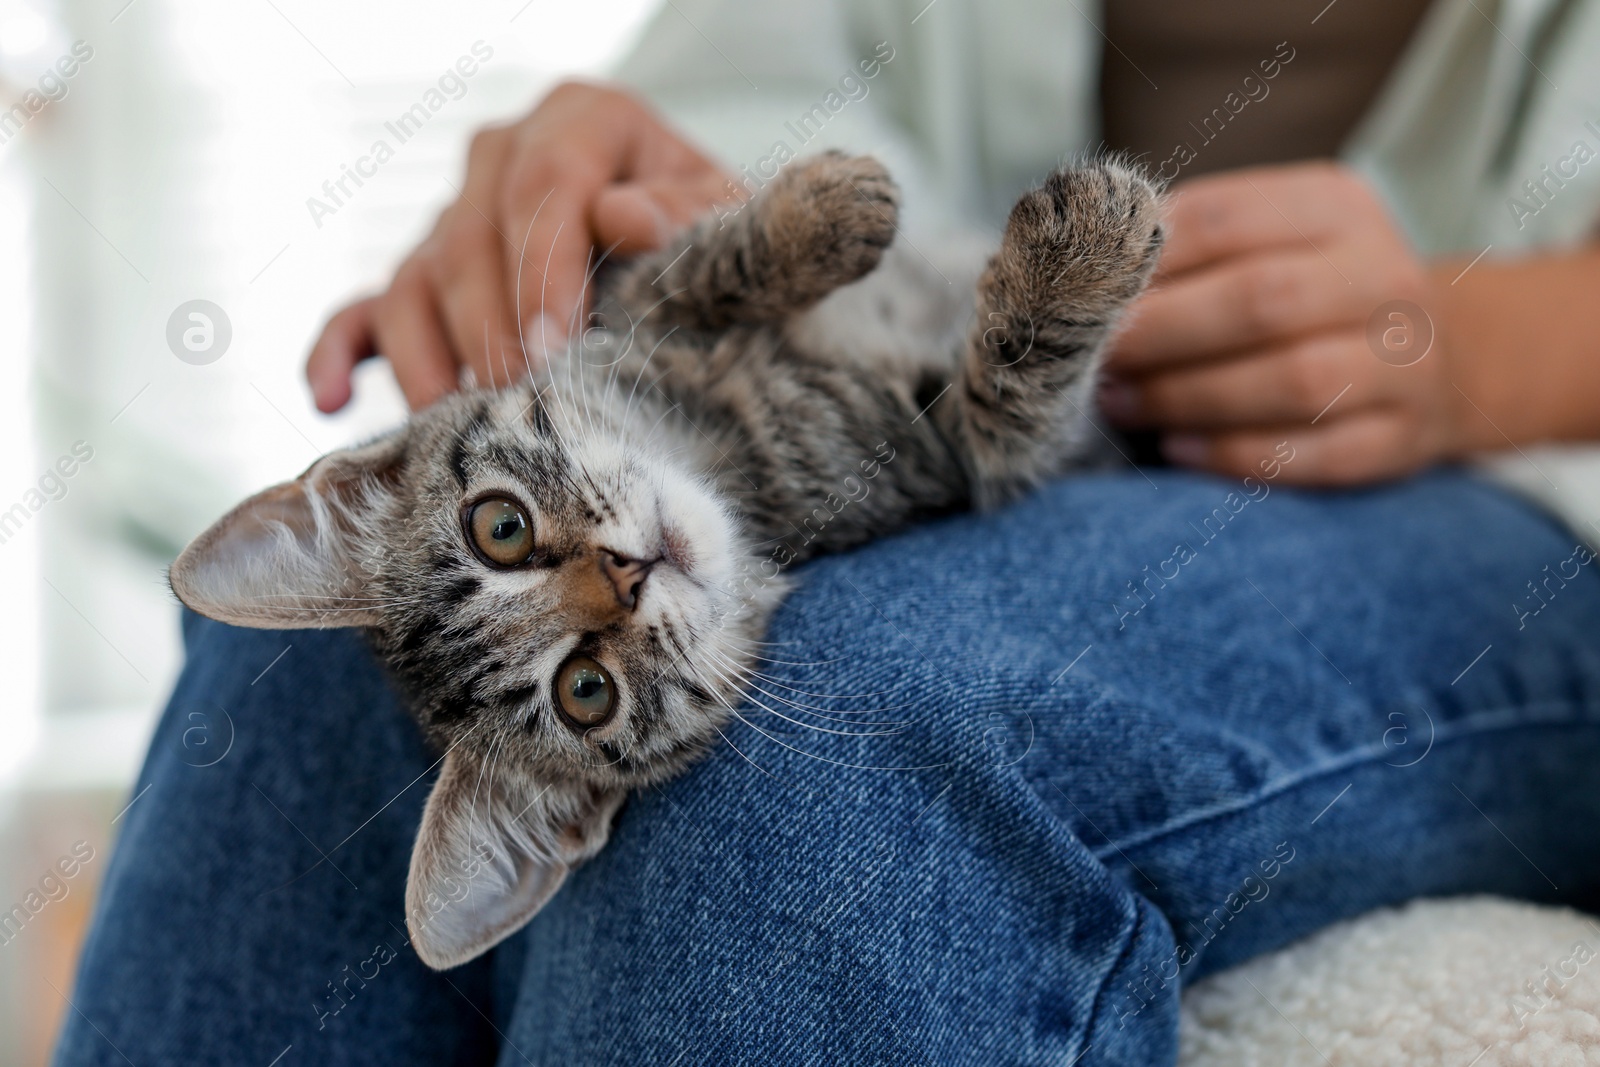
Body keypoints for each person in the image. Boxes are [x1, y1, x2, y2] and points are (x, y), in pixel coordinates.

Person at [54, 1, 1600, 1064]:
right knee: (313, 675)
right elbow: (761, 115)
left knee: (833, 742)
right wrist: (635, 177)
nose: (607, 583)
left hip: (1525, 493)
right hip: (889, 388)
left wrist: (1496, 344)